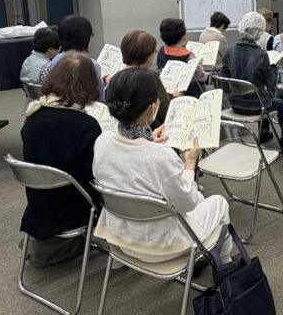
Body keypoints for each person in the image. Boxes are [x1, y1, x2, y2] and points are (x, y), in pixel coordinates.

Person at [93, 67, 231, 262]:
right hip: (163, 246)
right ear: (151, 108)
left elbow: (130, 162)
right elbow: (188, 202)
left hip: (120, 237)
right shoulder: (161, 156)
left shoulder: (102, 142)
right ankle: (226, 264)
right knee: (218, 202)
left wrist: (147, 140)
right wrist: (190, 164)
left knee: (199, 197)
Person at [20, 52, 107, 266]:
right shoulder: (84, 125)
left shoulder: (33, 116)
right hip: (73, 208)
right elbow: (95, 178)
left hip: (40, 205)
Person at [220, 11, 283, 130]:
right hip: (257, 106)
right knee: (280, 104)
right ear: (260, 31)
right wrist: (273, 67)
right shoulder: (261, 54)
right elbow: (271, 83)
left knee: (263, 96)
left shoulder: (230, 51)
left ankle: (265, 132)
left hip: (234, 104)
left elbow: (223, 83)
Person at [39, 14, 106, 101]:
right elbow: (100, 99)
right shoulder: (91, 64)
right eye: (91, 35)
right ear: (85, 38)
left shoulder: (55, 60)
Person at [119, 29, 170, 124]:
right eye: (154, 50)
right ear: (146, 54)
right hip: (150, 127)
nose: (155, 53)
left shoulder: (115, 78)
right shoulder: (151, 78)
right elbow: (165, 111)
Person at [156, 17, 208, 97]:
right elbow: (203, 78)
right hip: (189, 95)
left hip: (166, 93)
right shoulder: (189, 56)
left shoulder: (161, 51)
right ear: (182, 36)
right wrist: (198, 64)